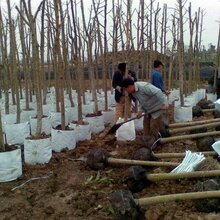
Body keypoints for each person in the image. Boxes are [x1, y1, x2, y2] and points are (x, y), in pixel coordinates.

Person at [121, 78, 167, 148]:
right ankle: (146, 142)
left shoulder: (144, 87)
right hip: (148, 110)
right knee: (145, 126)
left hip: (157, 108)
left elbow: (158, 91)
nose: (126, 91)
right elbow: (142, 101)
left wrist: (164, 103)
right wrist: (140, 111)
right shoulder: (133, 93)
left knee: (153, 127)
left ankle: (155, 144)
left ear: (130, 86)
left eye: (126, 89)